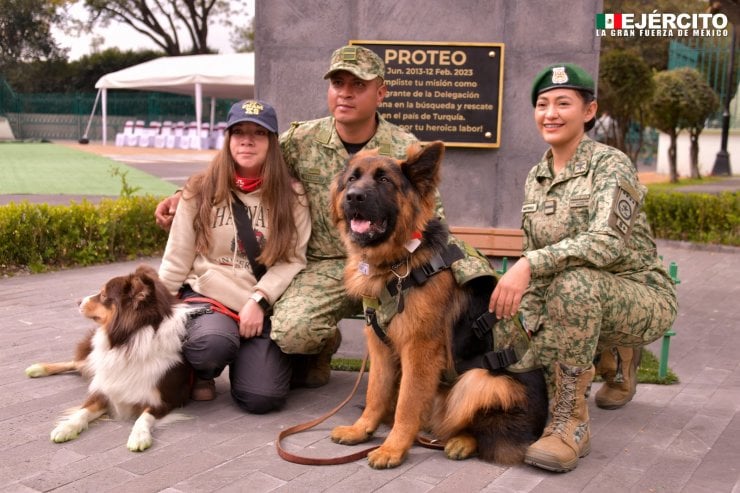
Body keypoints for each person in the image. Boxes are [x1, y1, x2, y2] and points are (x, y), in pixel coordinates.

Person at [156, 45, 494, 388]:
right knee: (292, 333)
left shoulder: (403, 147)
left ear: (380, 93)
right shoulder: (301, 139)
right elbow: (248, 161)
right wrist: (183, 198)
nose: (345, 93)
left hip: (388, 266)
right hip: (322, 264)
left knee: (415, 331)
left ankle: (400, 385)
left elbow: (431, 217)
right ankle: (321, 346)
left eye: (358, 86)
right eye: (337, 84)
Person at [488, 63, 677, 472]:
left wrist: (528, 264)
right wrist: (531, 329)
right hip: (570, 301)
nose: (550, 113)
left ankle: (571, 425)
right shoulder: (536, 177)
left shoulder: (611, 164)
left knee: (575, 284)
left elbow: (606, 243)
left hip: (639, 292)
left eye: (563, 103)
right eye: (542, 104)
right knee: (515, 365)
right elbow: (537, 269)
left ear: (589, 111)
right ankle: (605, 354)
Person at [158, 99, 311, 413]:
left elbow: (293, 259)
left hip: (258, 307)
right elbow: (178, 254)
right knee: (210, 345)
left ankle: (256, 360)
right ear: (227, 139)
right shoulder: (199, 189)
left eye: (259, 133)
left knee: (263, 397)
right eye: (238, 131)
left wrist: (259, 299)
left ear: (272, 141)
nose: (247, 140)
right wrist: (159, 306)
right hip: (209, 297)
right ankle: (202, 371)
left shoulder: (292, 195)